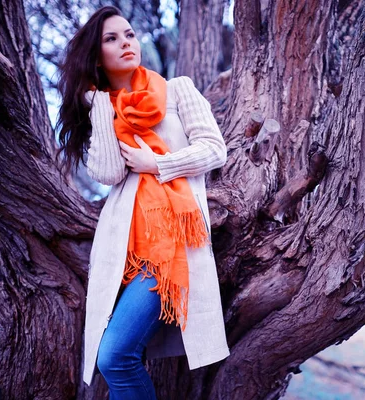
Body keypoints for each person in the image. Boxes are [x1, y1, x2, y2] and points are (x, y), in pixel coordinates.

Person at [55, 6, 230, 398]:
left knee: (115, 355)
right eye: (112, 39)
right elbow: (108, 173)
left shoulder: (178, 89)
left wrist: (160, 163)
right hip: (124, 248)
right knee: (116, 354)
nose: (126, 43)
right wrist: (100, 104)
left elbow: (215, 150)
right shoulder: (104, 110)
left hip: (170, 246)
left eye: (129, 34)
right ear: (96, 56)